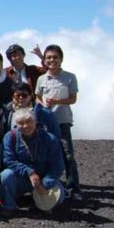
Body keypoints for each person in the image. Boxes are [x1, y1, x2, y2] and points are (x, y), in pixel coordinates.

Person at [35, 44, 83, 201]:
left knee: (67, 154)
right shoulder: (42, 78)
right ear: (45, 60)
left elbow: (73, 99)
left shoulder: (70, 77)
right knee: (46, 154)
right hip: (45, 122)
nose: (52, 60)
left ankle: (73, 188)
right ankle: (49, 184)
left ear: (61, 59)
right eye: (49, 57)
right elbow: (36, 97)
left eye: (55, 57)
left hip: (62, 121)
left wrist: (57, 101)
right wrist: (42, 104)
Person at [0, 108, 66, 217]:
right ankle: (9, 206)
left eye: (29, 121)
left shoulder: (50, 139)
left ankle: (39, 201)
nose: (25, 126)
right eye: (21, 123)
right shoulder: (10, 137)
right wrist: (29, 172)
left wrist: (45, 183)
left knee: (60, 198)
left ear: (36, 121)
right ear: (16, 124)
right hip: (22, 178)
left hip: (44, 178)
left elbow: (58, 165)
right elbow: (9, 161)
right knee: (6, 175)